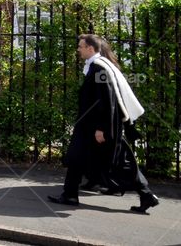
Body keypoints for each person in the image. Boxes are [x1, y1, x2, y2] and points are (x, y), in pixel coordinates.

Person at [48, 34, 159, 214]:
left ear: (90, 48)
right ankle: (70, 194)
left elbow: (105, 101)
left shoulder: (99, 68)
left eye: (80, 46)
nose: (78, 49)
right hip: (93, 125)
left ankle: (145, 194)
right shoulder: (100, 66)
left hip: (96, 126)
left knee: (116, 161)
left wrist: (101, 128)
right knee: (89, 158)